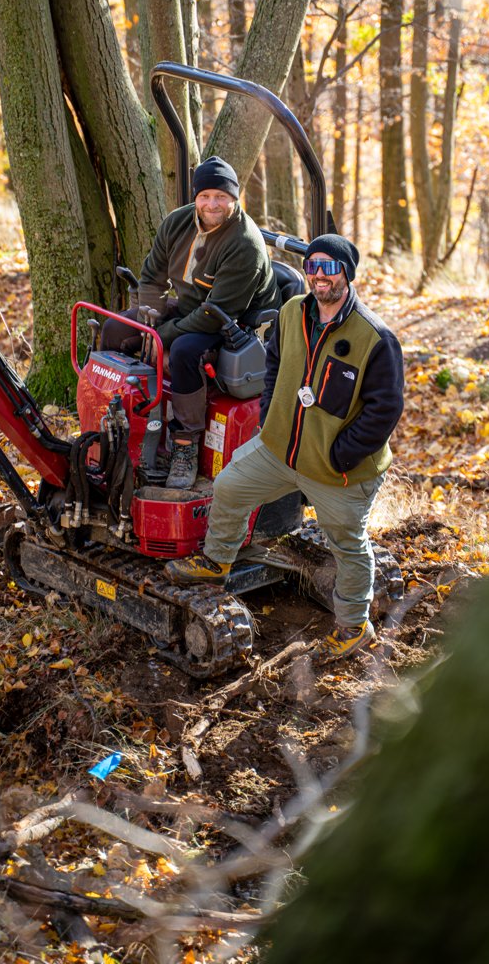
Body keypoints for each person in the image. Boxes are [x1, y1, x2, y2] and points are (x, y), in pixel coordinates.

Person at [165, 233, 405, 662]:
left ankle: (353, 627)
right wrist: (271, 414)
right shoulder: (293, 311)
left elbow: (385, 410)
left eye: (328, 267)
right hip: (280, 449)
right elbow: (275, 361)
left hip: (339, 468)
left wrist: (340, 455)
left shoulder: (375, 338)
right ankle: (218, 560)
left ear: (346, 274)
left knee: (347, 544)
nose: (318, 275)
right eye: (312, 265)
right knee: (231, 485)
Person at [102, 156, 279, 488]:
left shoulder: (245, 245)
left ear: (235, 198)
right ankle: (122, 421)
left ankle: (185, 446)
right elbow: (152, 277)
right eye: (205, 196)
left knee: (183, 351)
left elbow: (215, 315)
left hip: (235, 326)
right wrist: (149, 320)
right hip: (189, 308)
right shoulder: (178, 222)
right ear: (195, 197)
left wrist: (160, 338)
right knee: (116, 328)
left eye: (221, 197)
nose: (212, 204)